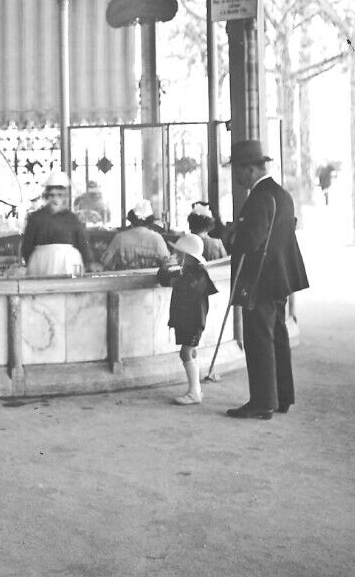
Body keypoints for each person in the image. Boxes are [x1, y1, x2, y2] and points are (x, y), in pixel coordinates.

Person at [224, 140, 309, 421]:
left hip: (259, 280)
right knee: (277, 336)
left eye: (236, 169)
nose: (235, 176)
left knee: (259, 339)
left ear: (249, 169)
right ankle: (282, 396)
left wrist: (230, 235)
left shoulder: (260, 197)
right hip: (280, 277)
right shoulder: (282, 194)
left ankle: (262, 402)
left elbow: (250, 240)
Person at [159, 232, 218, 405]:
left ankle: (194, 392)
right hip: (190, 320)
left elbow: (181, 285)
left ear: (188, 256)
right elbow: (165, 279)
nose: (175, 256)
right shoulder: (189, 271)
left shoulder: (198, 275)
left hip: (193, 321)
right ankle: (196, 388)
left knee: (185, 353)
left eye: (178, 253)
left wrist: (172, 276)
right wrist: (164, 269)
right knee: (190, 351)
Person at [20, 171, 93, 276]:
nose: (55, 199)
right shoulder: (36, 218)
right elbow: (27, 246)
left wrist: (87, 262)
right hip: (41, 264)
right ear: (47, 196)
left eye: (59, 195)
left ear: (65, 197)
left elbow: (83, 244)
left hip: (68, 264)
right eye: (52, 195)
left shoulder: (72, 219)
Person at [99, 199, 170, 270]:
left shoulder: (120, 238)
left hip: (125, 279)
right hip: (153, 279)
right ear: (150, 220)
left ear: (131, 219)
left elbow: (106, 262)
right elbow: (166, 262)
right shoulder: (157, 238)